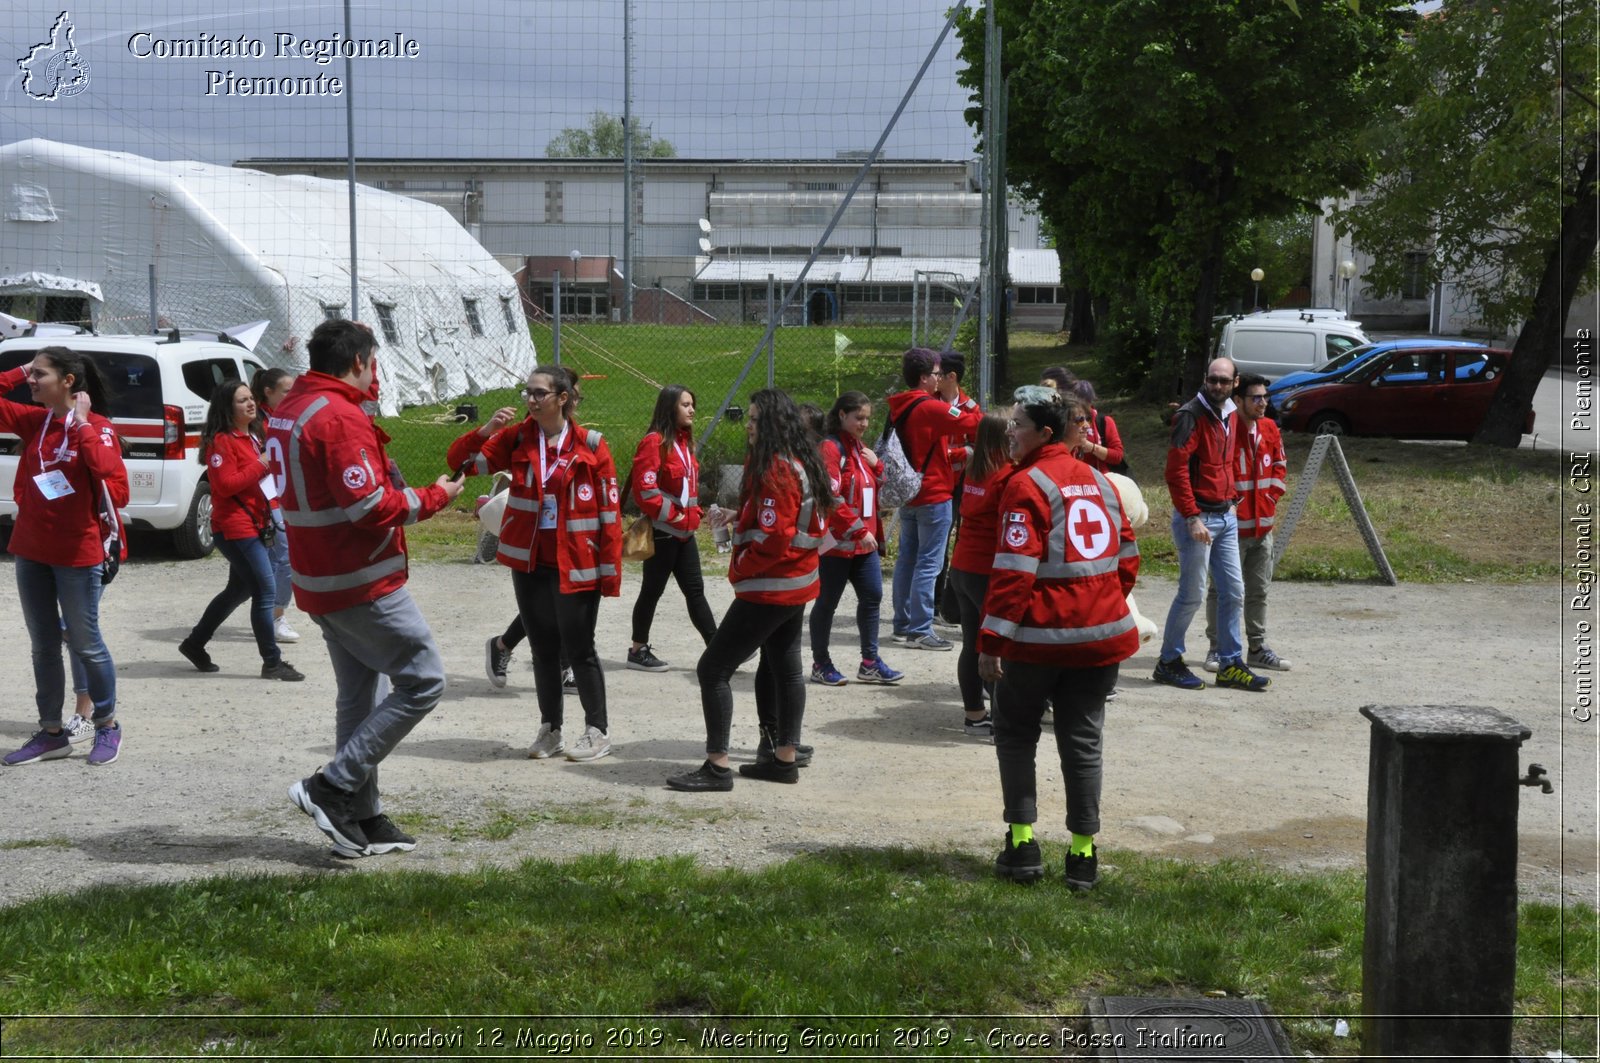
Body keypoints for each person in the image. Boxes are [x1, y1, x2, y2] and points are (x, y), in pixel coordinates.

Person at [274, 319, 465, 857]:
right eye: (375, 364)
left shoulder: (293, 405)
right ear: (358, 361)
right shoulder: (338, 416)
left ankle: (362, 814)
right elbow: (370, 508)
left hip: (319, 578)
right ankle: (330, 787)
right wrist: (437, 496)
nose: (375, 374)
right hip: (359, 579)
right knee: (423, 680)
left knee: (360, 696)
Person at [978, 386, 1140, 890]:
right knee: (1083, 740)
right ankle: (1083, 855)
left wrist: (991, 643)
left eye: (1018, 425)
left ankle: (1023, 845)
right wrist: (1101, 600)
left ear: (1044, 433)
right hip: (1101, 638)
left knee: (1016, 733)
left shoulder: (1026, 486)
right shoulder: (1101, 480)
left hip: (1039, 641)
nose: (1009, 432)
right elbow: (1128, 558)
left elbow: (1012, 574)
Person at [450, 365, 621, 762]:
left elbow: (611, 517)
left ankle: (597, 731)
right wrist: (485, 430)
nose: (530, 399)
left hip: (575, 561)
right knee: (543, 650)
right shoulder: (516, 438)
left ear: (563, 398)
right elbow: (463, 463)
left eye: (539, 393)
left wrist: (608, 574)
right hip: (529, 562)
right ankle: (551, 730)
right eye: (528, 392)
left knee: (580, 650)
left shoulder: (593, 445)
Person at [667, 388, 832, 792]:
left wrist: (740, 552)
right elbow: (785, 519)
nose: (750, 426)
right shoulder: (801, 461)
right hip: (798, 582)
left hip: (769, 587)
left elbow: (773, 535)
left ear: (774, 424)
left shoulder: (774, 467)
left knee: (713, 669)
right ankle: (783, 760)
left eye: (756, 419)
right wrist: (741, 516)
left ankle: (718, 766)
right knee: (786, 667)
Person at [0, 346, 128, 767]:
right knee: (43, 647)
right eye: (30, 375)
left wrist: (85, 424)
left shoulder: (98, 427)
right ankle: (52, 732)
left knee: (87, 644)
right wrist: (19, 368)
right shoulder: (36, 422)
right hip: (31, 550)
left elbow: (109, 471)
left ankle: (106, 725)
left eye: (40, 374)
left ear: (68, 382)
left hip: (77, 553)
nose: (31, 382)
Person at [1152, 357, 1270, 693]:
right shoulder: (1190, 416)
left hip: (1225, 516)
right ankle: (1168, 662)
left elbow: (1227, 461)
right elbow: (1175, 472)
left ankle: (1230, 664)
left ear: (1235, 383)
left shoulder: (1232, 412)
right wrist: (1191, 517)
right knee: (1192, 594)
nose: (1217, 385)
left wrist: (1232, 499)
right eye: (1212, 380)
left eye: (1223, 381)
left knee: (1234, 592)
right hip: (1198, 519)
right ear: (1206, 380)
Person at [179, 380, 304, 681]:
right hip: (235, 527)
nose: (251, 404)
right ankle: (272, 662)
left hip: (254, 523)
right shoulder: (222, 441)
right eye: (241, 401)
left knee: (239, 590)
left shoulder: (253, 436)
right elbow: (224, 485)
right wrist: (262, 465)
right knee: (264, 591)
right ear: (227, 407)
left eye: (251, 398)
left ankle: (194, 644)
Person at [886, 347, 981, 650]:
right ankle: (921, 629)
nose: (940, 380)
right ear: (925, 377)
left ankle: (902, 624)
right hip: (934, 494)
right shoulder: (929, 406)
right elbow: (972, 422)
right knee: (929, 563)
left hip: (911, 494)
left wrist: (957, 452)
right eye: (937, 374)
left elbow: (931, 448)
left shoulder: (900, 405)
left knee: (907, 560)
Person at [809, 391, 901, 686]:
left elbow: (869, 488)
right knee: (827, 603)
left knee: (873, 596)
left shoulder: (858, 447)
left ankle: (870, 662)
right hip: (838, 545)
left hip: (864, 545)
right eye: (858, 417)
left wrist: (878, 467)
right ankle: (821, 663)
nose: (864, 423)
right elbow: (830, 496)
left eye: (867, 418)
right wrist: (858, 530)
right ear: (841, 415)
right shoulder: (831, 448)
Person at [625, 384, 718, 671]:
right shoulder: (655, 442)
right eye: (685, 405)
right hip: (665, 532)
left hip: (685, 533)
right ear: (670, 408)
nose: (692, 410)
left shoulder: (684, 442)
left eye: (693, 405)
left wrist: (694, 512)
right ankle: (638, 651)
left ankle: (717, 648)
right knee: (652, 591)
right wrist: (676, 517)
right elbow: (645, 490)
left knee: (695, 591)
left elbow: (685, 488)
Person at [1204, 373, 1291, 672]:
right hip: (1231, 529)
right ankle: (1216, 649)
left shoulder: (1269, 428)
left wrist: (1271, 497)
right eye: (1256, 398)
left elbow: (1280, 465)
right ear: (1237, 400)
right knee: (1223, 591)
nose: (1263, 402)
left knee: (1258, 589)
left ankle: (1257, 647)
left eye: (1265, 397)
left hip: (1262, 527)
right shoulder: (1225, 429)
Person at [948, 411, 1013, 735]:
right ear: (1004, 438)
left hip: (963, 568)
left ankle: (974, 715)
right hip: (986, 571)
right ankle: (1002, 723)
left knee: (972, 644)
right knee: (997, 647)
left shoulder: (974, 469)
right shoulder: (1005, 476)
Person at [251, 367, 300, 644]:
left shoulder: (287, 417)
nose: (292, 396)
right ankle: (276, 615)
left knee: (273, 559)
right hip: (264, 497)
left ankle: (270, 614)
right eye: (286, 391)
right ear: (268, 393)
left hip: (282, 494)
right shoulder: (257, 420)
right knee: (283, 555)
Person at [1071, 380, 1126, 476]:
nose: (1082, 405)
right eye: (1077, 401)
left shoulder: (1104, 421)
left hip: (1101, 478)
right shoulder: (1066, 422)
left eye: (1086, 401)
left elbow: (1118, 456)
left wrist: (1091, 447)